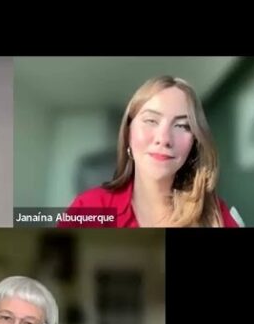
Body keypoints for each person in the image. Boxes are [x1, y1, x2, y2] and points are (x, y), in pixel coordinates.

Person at [63, 76, 241, 227]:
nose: (164, 138)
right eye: (151, 121)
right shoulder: (89, 208)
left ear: (194, 142)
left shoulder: (216, 215)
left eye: (182, 125)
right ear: (128, 134)